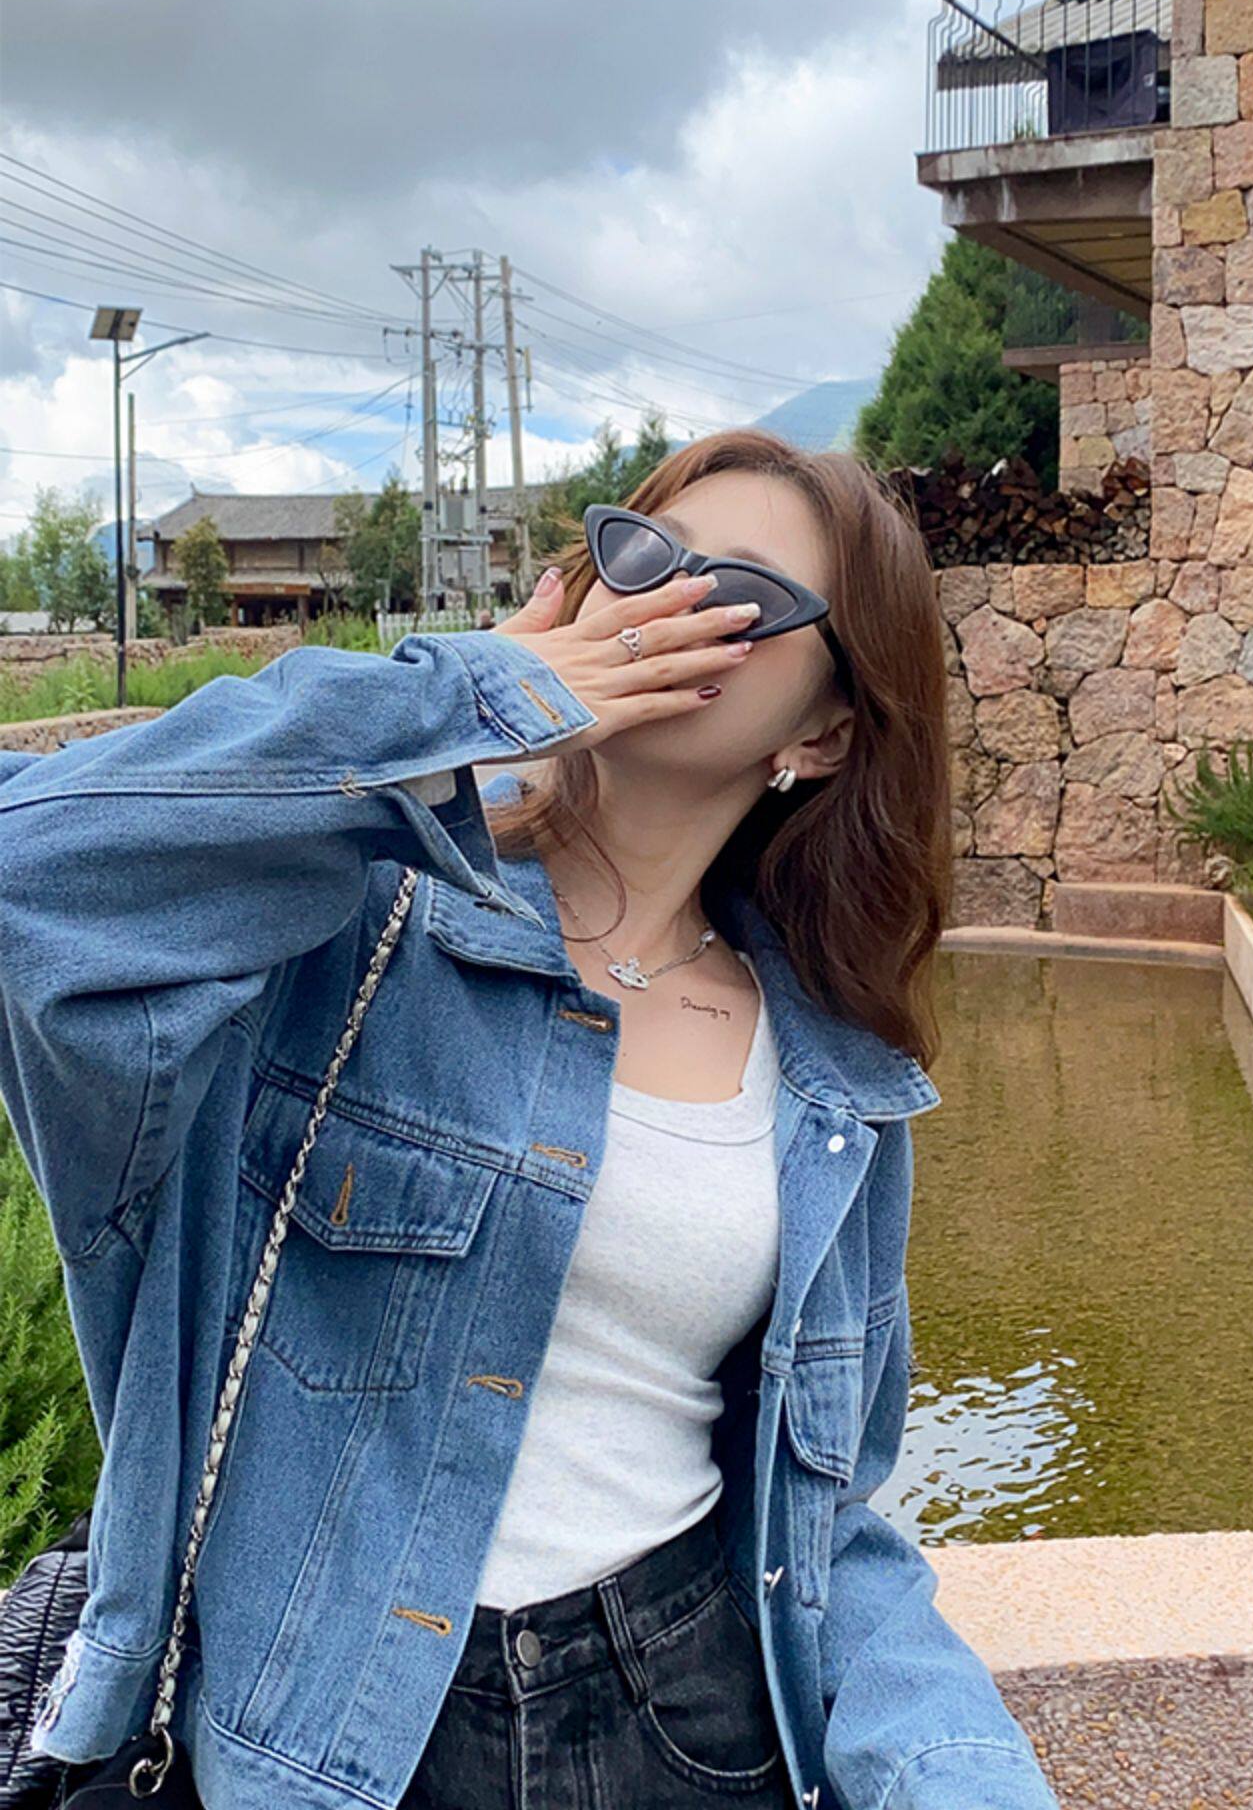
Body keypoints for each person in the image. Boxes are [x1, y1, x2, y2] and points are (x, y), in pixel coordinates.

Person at [0, 428, 1058, 1810]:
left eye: (740, 593)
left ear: (821, 734)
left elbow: (829, 1523)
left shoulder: (832, 1085)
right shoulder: (339, 931)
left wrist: (961, 1775)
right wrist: (465, 698)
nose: (666, 598)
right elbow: (28, 875)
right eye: (644, 553)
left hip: (693, 1727)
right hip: (319, 1738)